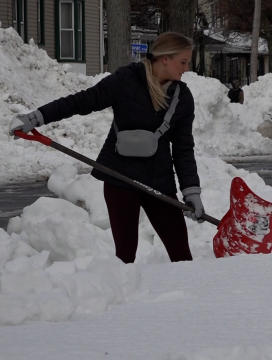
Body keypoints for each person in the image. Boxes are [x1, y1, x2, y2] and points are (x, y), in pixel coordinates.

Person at [9, 32, 204, 263]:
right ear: (165, 59)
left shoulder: (182, 96)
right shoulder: (126, 80)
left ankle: (188, 298)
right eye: (183, 62)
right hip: (119, 177)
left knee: (181, 254)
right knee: (125, 257)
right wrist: (36, 117)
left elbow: (183, 148)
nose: (186, 68)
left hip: (158, 181)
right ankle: (126, 298)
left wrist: (191, 192)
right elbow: (81, 101)